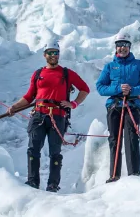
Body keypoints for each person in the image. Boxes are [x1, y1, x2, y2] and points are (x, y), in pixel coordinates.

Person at [8, 41, 90, 193]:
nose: (53, 55)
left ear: (59, 54)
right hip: (38, 114)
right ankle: (33, 182)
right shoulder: (38, 74)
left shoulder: (67, 73)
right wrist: (15, 107)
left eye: (56, 52)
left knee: (55, 152)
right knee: (33, 149)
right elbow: (29, 96)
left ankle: (53, 184)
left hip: (58, 116)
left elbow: (84, 89)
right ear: (44, 55)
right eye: (50, 52)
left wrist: (74, 104)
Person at [96, 32, 140, 183]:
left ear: (129, 47)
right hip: (114, 105)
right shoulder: (110, 66)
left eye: (125, 45)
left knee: (131, 138)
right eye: (119, 45)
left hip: (132, 105)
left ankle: (133, 174)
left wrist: (133, 90)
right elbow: (100, 87)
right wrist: (117, 89)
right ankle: (114, 175)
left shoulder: (139, 65)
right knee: (114, 139)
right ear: (116, 48)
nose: (122, 48)